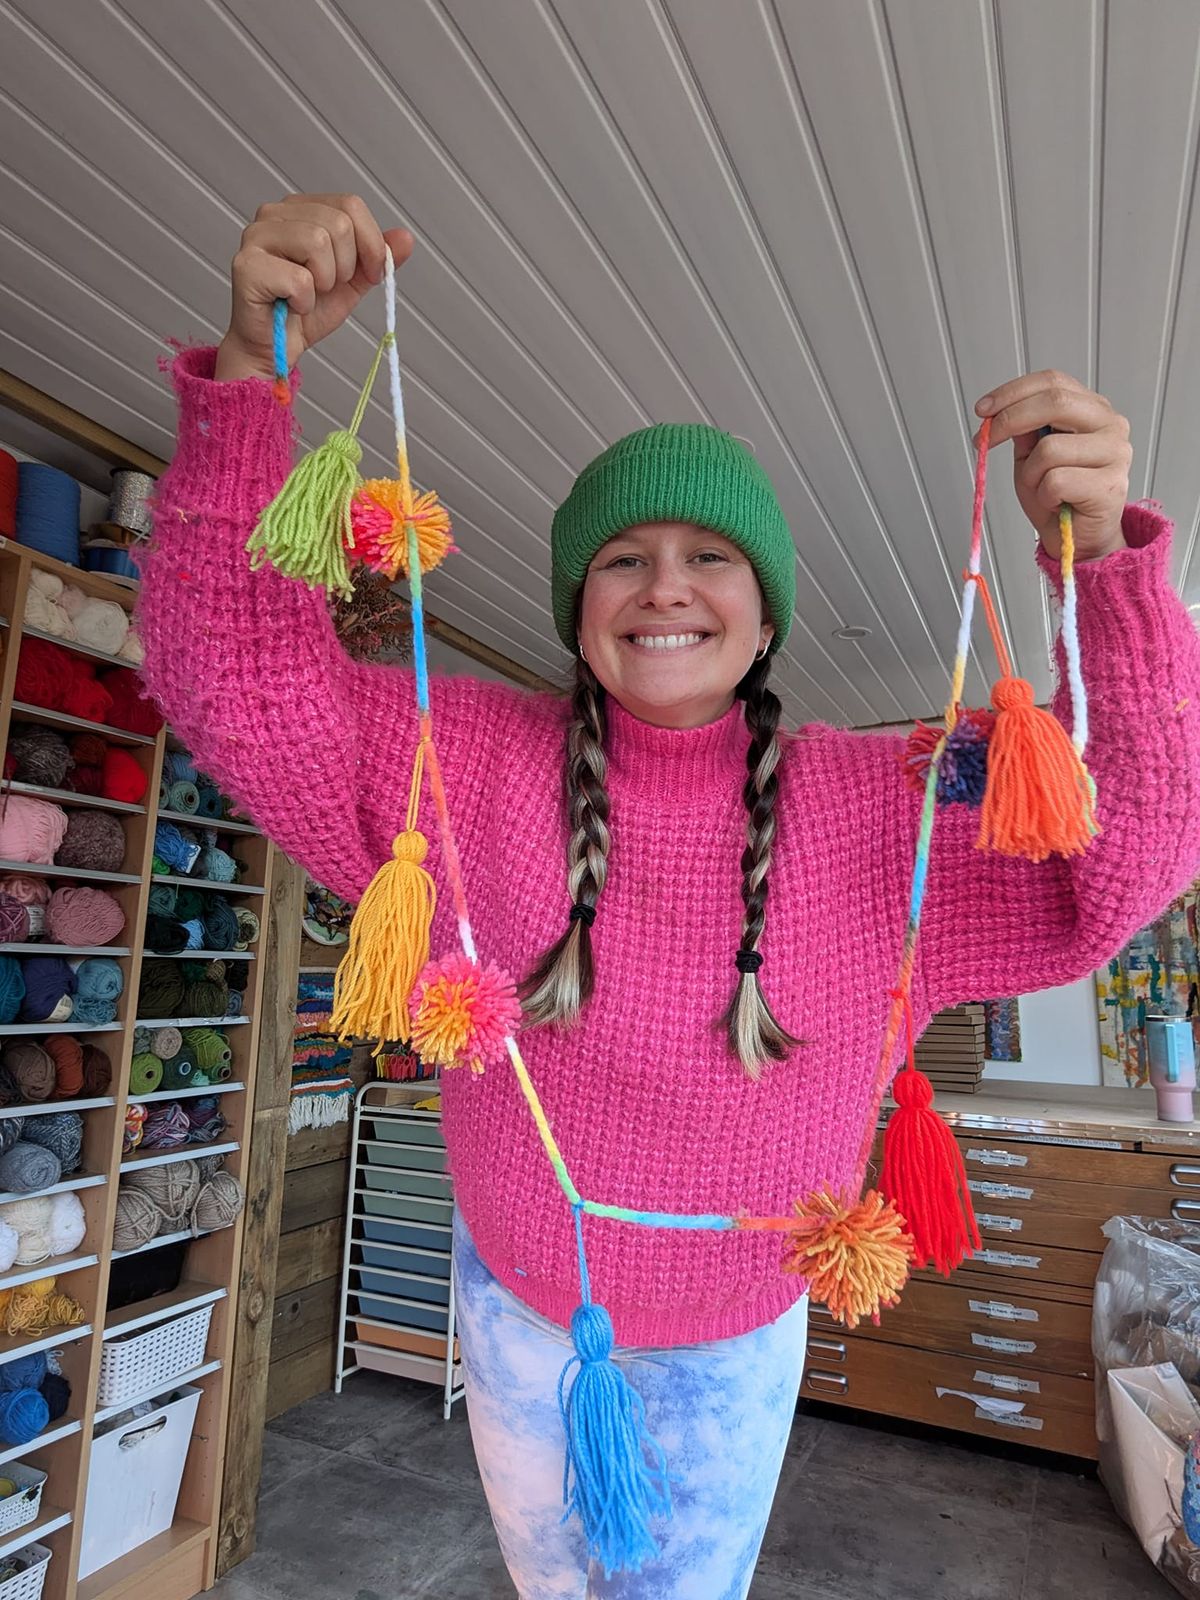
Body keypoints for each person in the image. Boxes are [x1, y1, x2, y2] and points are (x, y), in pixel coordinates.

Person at [136, 194, 1200, 1600]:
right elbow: (237, 687)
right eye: (624, 559)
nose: (665, 588)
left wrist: (1110, 568)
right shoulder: (466, 763)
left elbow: (1132, 851)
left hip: (737, 1343)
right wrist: (249, 388)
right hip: (520, 1321)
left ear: (766, 613)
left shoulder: (889, 796)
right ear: (579, 608)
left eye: (711, 557)